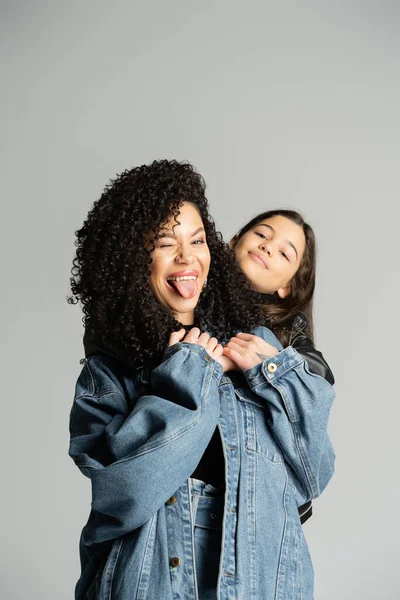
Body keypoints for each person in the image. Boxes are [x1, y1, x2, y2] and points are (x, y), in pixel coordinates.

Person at [68, 160, 335, 599]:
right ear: (137, 257)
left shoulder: (258, 349)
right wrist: (189, 371)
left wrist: (274, 375)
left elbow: (313, 473)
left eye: (197, 240)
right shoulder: (111, 369)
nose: (187, 256)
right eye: (165, 243)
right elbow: (124, 495)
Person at [228, 209, 335, 523]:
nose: (267, 246)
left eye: (284, 253)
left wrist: (270, 364)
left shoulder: (289, 342)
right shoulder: (181, 301)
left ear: (287, 287)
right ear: (234, 242)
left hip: (258, 517)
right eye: (261, 235)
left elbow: (315, 471)